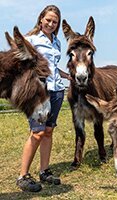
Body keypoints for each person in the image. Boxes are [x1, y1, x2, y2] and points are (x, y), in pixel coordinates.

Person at [16, 5, 69, 192]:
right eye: (48, 20)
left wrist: (68, 76)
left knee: (48, 131)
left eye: (55, 21)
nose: (51, 24)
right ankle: (22, 176)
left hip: (56, 91)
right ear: (41, 19)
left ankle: (44, 171)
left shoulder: (56, 42)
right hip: (38, 92)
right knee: (37, 133)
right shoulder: (30, 40)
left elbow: (53, 67)